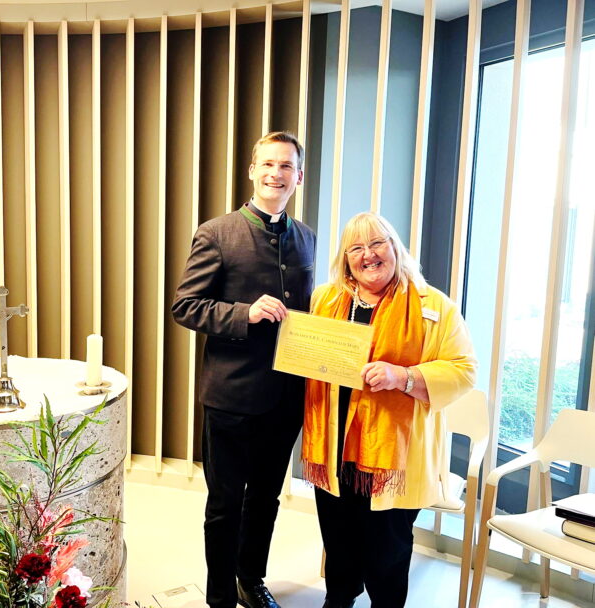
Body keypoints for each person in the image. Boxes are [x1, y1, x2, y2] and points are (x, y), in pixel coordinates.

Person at [303, 212, 476, 608]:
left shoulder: (434, 306)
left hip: (394, 456)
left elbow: (464, 370)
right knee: (339, 541)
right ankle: (339, 599)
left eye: (377, 243)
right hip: (333, 448)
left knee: (388, 552)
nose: (368, 255)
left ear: (395, 248)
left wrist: (404, 376)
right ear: (346, 259)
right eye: (356, 248)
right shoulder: (326, 300)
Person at [172, 132, 316, 608]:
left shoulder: (307, 238)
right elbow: (185, 306)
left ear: (299, 176)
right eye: (268, 164)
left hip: (286, 398)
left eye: (286, 166)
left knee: (266, 499)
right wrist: (244, 313)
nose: (277, 174)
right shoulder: (216, 233)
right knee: (225, 504)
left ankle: (250, 580)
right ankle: (219, 598)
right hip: (231, 397)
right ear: (253, 171)